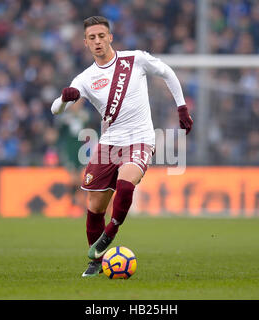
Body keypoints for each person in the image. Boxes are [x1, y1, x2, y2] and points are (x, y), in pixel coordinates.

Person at [51, 16, 193, 277]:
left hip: (140, 139)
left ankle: (111, 232)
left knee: (126, 184)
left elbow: (167, 72)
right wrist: (64, 100)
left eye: (101, 36)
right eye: (92, 38)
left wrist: (181, 107)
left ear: (110, 37)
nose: (97, 41)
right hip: (109, 144)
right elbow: (55, 109)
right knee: (94, 207)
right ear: (85, 43)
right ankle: (95, 260)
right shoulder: (85, 78)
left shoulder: (134, 60)